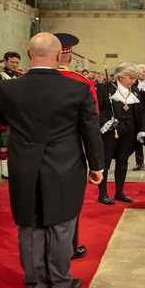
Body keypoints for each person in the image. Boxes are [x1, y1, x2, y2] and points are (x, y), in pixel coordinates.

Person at [0, 33, 104, 288]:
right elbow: (90, 130)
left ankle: (34, 284)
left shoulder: (8, 88)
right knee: (60, 225)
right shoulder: (78, 88)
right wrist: (97, 166)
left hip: (24, 165)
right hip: (64, 166)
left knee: (29, 224)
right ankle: (59, 282)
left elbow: (1, 118)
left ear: (30, 55)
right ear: (59, 56)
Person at [54, 32, 98, 260]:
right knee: (70, 202)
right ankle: (70, 246)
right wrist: (96, 164)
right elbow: (91, 123)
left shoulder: (20, 83)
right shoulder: (81, 83)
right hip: (70, 151)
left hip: (32, 153)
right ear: (68, 56)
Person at [96, 62, 145, 205]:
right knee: (105, 163)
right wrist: (104, 122)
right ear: (120, 76)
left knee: (122, 162)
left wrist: (143, 130)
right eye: (131, 78)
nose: (134, 81)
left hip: (129, 134)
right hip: (109, 132)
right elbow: (96, 110)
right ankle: (103, 194)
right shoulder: (104, 89)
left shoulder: (135, 91)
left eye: (135, 78)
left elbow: (141, 114)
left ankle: (120, 192)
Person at [0, 51, 21, 180]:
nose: (15, 65)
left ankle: (13, 169)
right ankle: (4, 170)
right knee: (3, 143)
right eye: (12, 62)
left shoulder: (18, 75)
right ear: (6, 61)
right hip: (3, 114)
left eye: (17, 62)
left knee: (15, 144)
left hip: (17, 115)